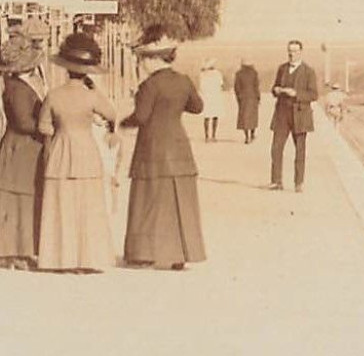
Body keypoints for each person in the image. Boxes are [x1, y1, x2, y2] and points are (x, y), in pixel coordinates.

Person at [120, 25, 206, 270]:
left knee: (148, 201)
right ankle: (180, 254)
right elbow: (197, 107)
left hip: (152, 148)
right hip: (179, 148)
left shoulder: (149, 86)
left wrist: (121, 123)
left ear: (154, 59)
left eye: (143, 59)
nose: (142, 64)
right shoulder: (184, 81)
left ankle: (143, 253)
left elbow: (141, 116)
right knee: (180, 202)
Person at [36, 32, 121, 273]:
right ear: (88, 71)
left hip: (60, 151)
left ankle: (59, 259)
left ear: (65, 68)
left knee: (60, 205)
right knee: (88, 206)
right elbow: (112, 114)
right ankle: (88, 259)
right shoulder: (91, 96)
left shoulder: (54, 95)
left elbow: (43, 126)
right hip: (86, 152)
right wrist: (93, 91)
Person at [0, 36, 47, 270]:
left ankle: (15, 250)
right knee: (19, 200)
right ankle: (15, 252)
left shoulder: (16, 85)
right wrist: (47, 127)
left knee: (19, 201)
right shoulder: (19, 89)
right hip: (22, 147)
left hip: (20, 148)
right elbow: (23, 121)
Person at [268, 39, 319, 192]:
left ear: (300, 52)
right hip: (282, 114)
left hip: (300, 115)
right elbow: (274, 87)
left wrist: (296, 94)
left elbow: (314, 94)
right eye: (289, 50)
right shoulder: (282, 69)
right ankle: (276, 181)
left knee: (300, 150)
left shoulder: (308, 71)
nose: (291, 54)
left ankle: (298, 183)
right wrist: (276, 90)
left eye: (295, 51)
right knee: (276, 148)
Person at [234, 58, 261, 144]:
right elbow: (256, 86)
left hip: (243, 97)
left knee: (244, 118)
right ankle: (252, 134)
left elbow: (236, 87)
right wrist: (258, 97)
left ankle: (247, 137)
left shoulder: (238, 74)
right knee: (253, 117)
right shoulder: (254, 73)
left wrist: (238, 97)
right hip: (253, 96)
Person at [198, 59, 225, 142]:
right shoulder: (217, 74)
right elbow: (221, 85)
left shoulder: (203, 75)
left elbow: (201, 87)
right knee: (215, 116)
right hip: (215, 97)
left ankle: (206, 136)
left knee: (206, 117)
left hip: (206, 97)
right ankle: (213, 135)